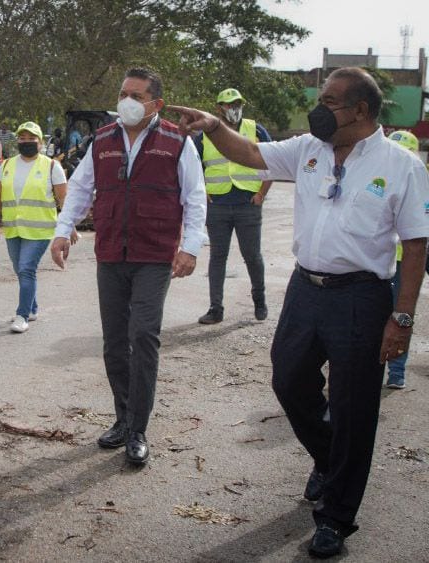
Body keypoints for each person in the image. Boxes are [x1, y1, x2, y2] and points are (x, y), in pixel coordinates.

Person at [170, 67, 429, 558]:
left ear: (359, 111)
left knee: (356, 410)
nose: (319, 107)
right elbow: (249, 153)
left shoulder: (401, 165)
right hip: (305, 290)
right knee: (288, 380)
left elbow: (416, 246)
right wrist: (212, 125)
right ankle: (331, 458)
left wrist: (402, 317)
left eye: (329, 100)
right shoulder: (308, 148)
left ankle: (336, 517)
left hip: (361, 296)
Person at [50, 68, 207, 466]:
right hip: (110, 254)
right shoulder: (102, 138)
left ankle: (138, 429)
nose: (127, 101)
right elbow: (82, 188)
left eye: (136, 95)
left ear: (156, 104)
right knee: (115, 342)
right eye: (123, 93)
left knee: (144, 335)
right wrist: (62, 231)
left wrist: (189, 247)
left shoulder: (177, 140)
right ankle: (122, 418)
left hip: (154, 255)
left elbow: (195, 196)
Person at [196, 88, 273, 324]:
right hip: (217, 204)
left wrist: (261, 193)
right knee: (218, 256)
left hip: (248, 204)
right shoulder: (205, 134)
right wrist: (203, 192)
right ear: (219, 107)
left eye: (237, 103)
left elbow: (273, 161)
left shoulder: (255, 129)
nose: (234, 108)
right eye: (229, 104)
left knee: (252, 255)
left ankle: (259, 300)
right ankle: (215, 308)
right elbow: (192, 165)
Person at [0, 121, 72, 333]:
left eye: (31, 139)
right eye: (22, 139)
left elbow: (64, 199)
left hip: (40, 229)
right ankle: (32, 307)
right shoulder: (7, 165)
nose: (26, 142)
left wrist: (69, 228)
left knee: (26, 269)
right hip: (13, 228)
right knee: (20, 270)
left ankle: (22, 315)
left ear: (40, 142)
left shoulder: (52, 166)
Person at [385, 129, 422, 389]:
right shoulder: (380, 177)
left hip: (405, 262)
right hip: (378, 260)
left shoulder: (419, 179)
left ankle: (396, 371)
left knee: (401, 315)